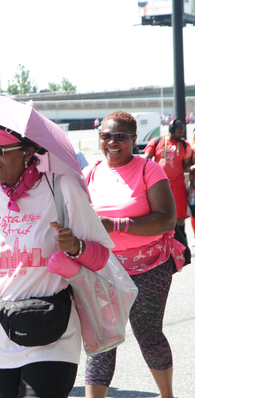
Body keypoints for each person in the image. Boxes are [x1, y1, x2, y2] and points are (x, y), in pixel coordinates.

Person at [0, 122, 115, 398]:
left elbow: (102, 256)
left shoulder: (61, 188)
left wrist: (77, 246)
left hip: (53, 328)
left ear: (28, 151)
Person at [83, 111, 186, 398]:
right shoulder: (89, 173)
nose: (112, 142)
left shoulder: (148, 169)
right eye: (106, 135)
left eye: (120, 136)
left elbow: (167, 219)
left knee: (149, 336)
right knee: (103, 340)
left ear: (134, 139)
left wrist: (115, 225)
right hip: (104, 268)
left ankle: (167, 396)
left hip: (149, 267)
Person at [143, 119, 194, 260]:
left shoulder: (185, 145)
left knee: (179, 219)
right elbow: (146, 160)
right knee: (159, 217)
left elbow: (187, 166)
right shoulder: (157, 141)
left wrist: (194, 168)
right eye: (179, 132)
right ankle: (163, 249)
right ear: (171, 129)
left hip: (178, 187)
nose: (181, 134)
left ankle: (183, 251)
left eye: (183, 132)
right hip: (158, 187)